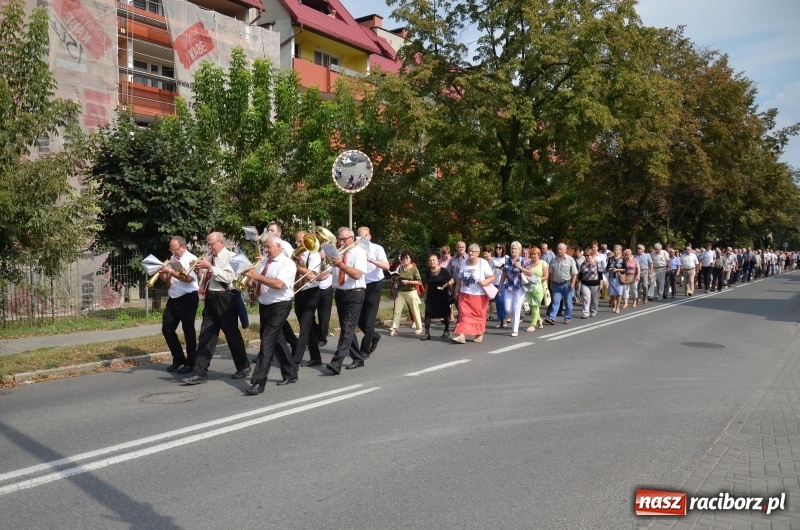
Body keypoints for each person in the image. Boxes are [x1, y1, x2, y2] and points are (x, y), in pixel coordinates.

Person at [182, 232, 250, 385]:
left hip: (226, 298)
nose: (209, 246)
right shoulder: (210, 259)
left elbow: (229, 278)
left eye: (211, 243)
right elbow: (205, 280)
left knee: (232, 335)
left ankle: (243, 366)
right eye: (208, 243)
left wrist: (210, 267)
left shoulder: (231, 257)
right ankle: (199, 373)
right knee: (206, 335)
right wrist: (199, 271)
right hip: (211, 298)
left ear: (221, 243)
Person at [243, 234, 298, 394]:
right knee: (277, 340)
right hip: (265, 304)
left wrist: (257, 276)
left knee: (266, 343)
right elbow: (256, 283)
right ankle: (290, 372)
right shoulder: (264, 262)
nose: (265, 250)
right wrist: (249, 280)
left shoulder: (287, 264)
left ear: (279, 247)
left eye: (268, 247)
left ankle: (258, 382)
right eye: (265, 247)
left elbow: (279, 284)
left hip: (280, 305)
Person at [324, 227, 368, 374]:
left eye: (344, 239)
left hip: (355, 293)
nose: (342, 242)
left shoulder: (359, 252)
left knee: (348, 327)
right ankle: (358, 358)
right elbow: (328, 272)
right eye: (340, 239)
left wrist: (340, 264)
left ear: (352, 238)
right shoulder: (338, 253)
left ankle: (336, 362)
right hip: (340, 293)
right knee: (346, 327)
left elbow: (357, 274)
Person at [161, 236, 199, 374]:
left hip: (188, 298)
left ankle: (191, 362)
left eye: (175, 249)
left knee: (188, 331)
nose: (172, 252)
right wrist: (162, 272)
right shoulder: (173, 259)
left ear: (183, 247)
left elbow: (189, 279)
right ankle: (178, 359)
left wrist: (170, 271)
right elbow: (167, 278)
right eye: (171, 249)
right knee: (167, 329)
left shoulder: (191, 259)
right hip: (173, 298)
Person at [290, 231, 323, 367]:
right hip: (299, 291)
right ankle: (316, 358)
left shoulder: (313, 254)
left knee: (304, 326)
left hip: (312, 292)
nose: (297, 244)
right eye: (297, 242)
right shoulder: (295, 255)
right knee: (307, 327)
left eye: (300, 242)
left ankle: (295, 360)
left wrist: (296, 267)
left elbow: (312, 275)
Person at [357, 227, 390, 357]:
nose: (362, 239)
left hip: (374, 284)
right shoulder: (355, 250)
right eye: (359, 236)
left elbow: (386, 266)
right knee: (359, 319)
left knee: (370, 319)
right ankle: (374, 336)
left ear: (369, 236)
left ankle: (364, 350)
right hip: (360, 285)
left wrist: (370, 259)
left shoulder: (377, 248)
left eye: (364, 236)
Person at [451, 244, 494, 343]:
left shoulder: (482, 263)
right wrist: (456, 290)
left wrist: (484, 282)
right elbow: (459, 278)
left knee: (479, 316)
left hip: (479, 295)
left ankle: (479, 333)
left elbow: (492, 277)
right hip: (465, 294)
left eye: (473, 251)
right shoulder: (463, 263)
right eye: (470, 251)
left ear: (478, 253)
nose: (471, 253)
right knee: (463, 315)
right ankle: (461, 335)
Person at [499, 241, 531, 337]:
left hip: (519, 287)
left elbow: (530, 273)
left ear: (519, 250)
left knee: (516, 308)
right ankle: (516, 319)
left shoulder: (523, 260)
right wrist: (500, 286)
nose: (513, 250)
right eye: (512, 248)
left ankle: (515, 330)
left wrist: (521, 267)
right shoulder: (507, 260)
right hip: (509, 287)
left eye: (515, 249)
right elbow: (504, 273)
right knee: (508, 308)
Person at [389, 250, 424, 336]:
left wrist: (408, 282)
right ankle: (395, 328)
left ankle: (419, 328)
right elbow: (397, 276)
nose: (405, 260)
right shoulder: (400, 268)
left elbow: (419, 282)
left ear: (410, 259)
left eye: (407, 258)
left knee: (415, 310)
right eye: (403, 258)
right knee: (397, 311)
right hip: (400, 292)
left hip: (411, 292)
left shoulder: (414, 268)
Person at [421, 253, 452, 339]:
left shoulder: (444, 271)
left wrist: (445, 285)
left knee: (445, 314)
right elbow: (427, 284)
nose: (432, 262)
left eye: (434, 260)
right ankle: (427, 333)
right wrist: (425, 296)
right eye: (430, 260)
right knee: (428, 314)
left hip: (442, 296)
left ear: (438, 261)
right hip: (431, 296)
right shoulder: (428, 272)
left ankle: (446, 330)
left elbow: (451, 280)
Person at [545, 243, 578, 324]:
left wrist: (573, 283)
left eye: (561, 249)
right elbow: (551, 273)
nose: (559, 251)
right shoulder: (553, 260)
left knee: (568, 303)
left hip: (567, 284)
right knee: (555, 302)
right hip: (556, 285)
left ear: (565, 250)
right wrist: (551, 283)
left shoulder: (570, 259)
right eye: (558, 249)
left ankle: (567, 317)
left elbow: (574, 273)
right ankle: (552, 318)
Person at [525, 247, 548, 332]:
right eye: (532, 254)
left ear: (539, 255)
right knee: (532, 305)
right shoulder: (528, 263)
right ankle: (539, 319)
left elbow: (546, 276)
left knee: (535, 305)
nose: (534, 256)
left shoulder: (543, 263)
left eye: (535, 254)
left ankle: (532, 325)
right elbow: (525, 273)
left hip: (540, 287)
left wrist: (537, 279)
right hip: (530, 287)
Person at [578, 249, 600, 318]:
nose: (587, 257)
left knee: (594, 299)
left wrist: (601, 283)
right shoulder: (583, 264)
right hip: (585, 283)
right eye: (585, 255)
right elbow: (580, 275)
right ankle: (586, 313)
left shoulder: (597, 263)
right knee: (586, 298)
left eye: (588, 255)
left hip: (595, 283)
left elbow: (600, 274)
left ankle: (593, 310)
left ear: (592, 255)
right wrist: (577, 283)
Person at [606, 245, 625, 313]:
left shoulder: (622, 259)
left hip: (619, 278)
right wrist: (610, 270)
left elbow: (625, 269)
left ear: (620, 251)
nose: (616, 252)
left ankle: (617, 307)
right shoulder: (610, 259)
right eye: (615, 250)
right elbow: (607, 268)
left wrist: (617, 270)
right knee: (611, 293)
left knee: (619, 293)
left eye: (617, 250)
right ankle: (614, 303)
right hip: (612, 277)